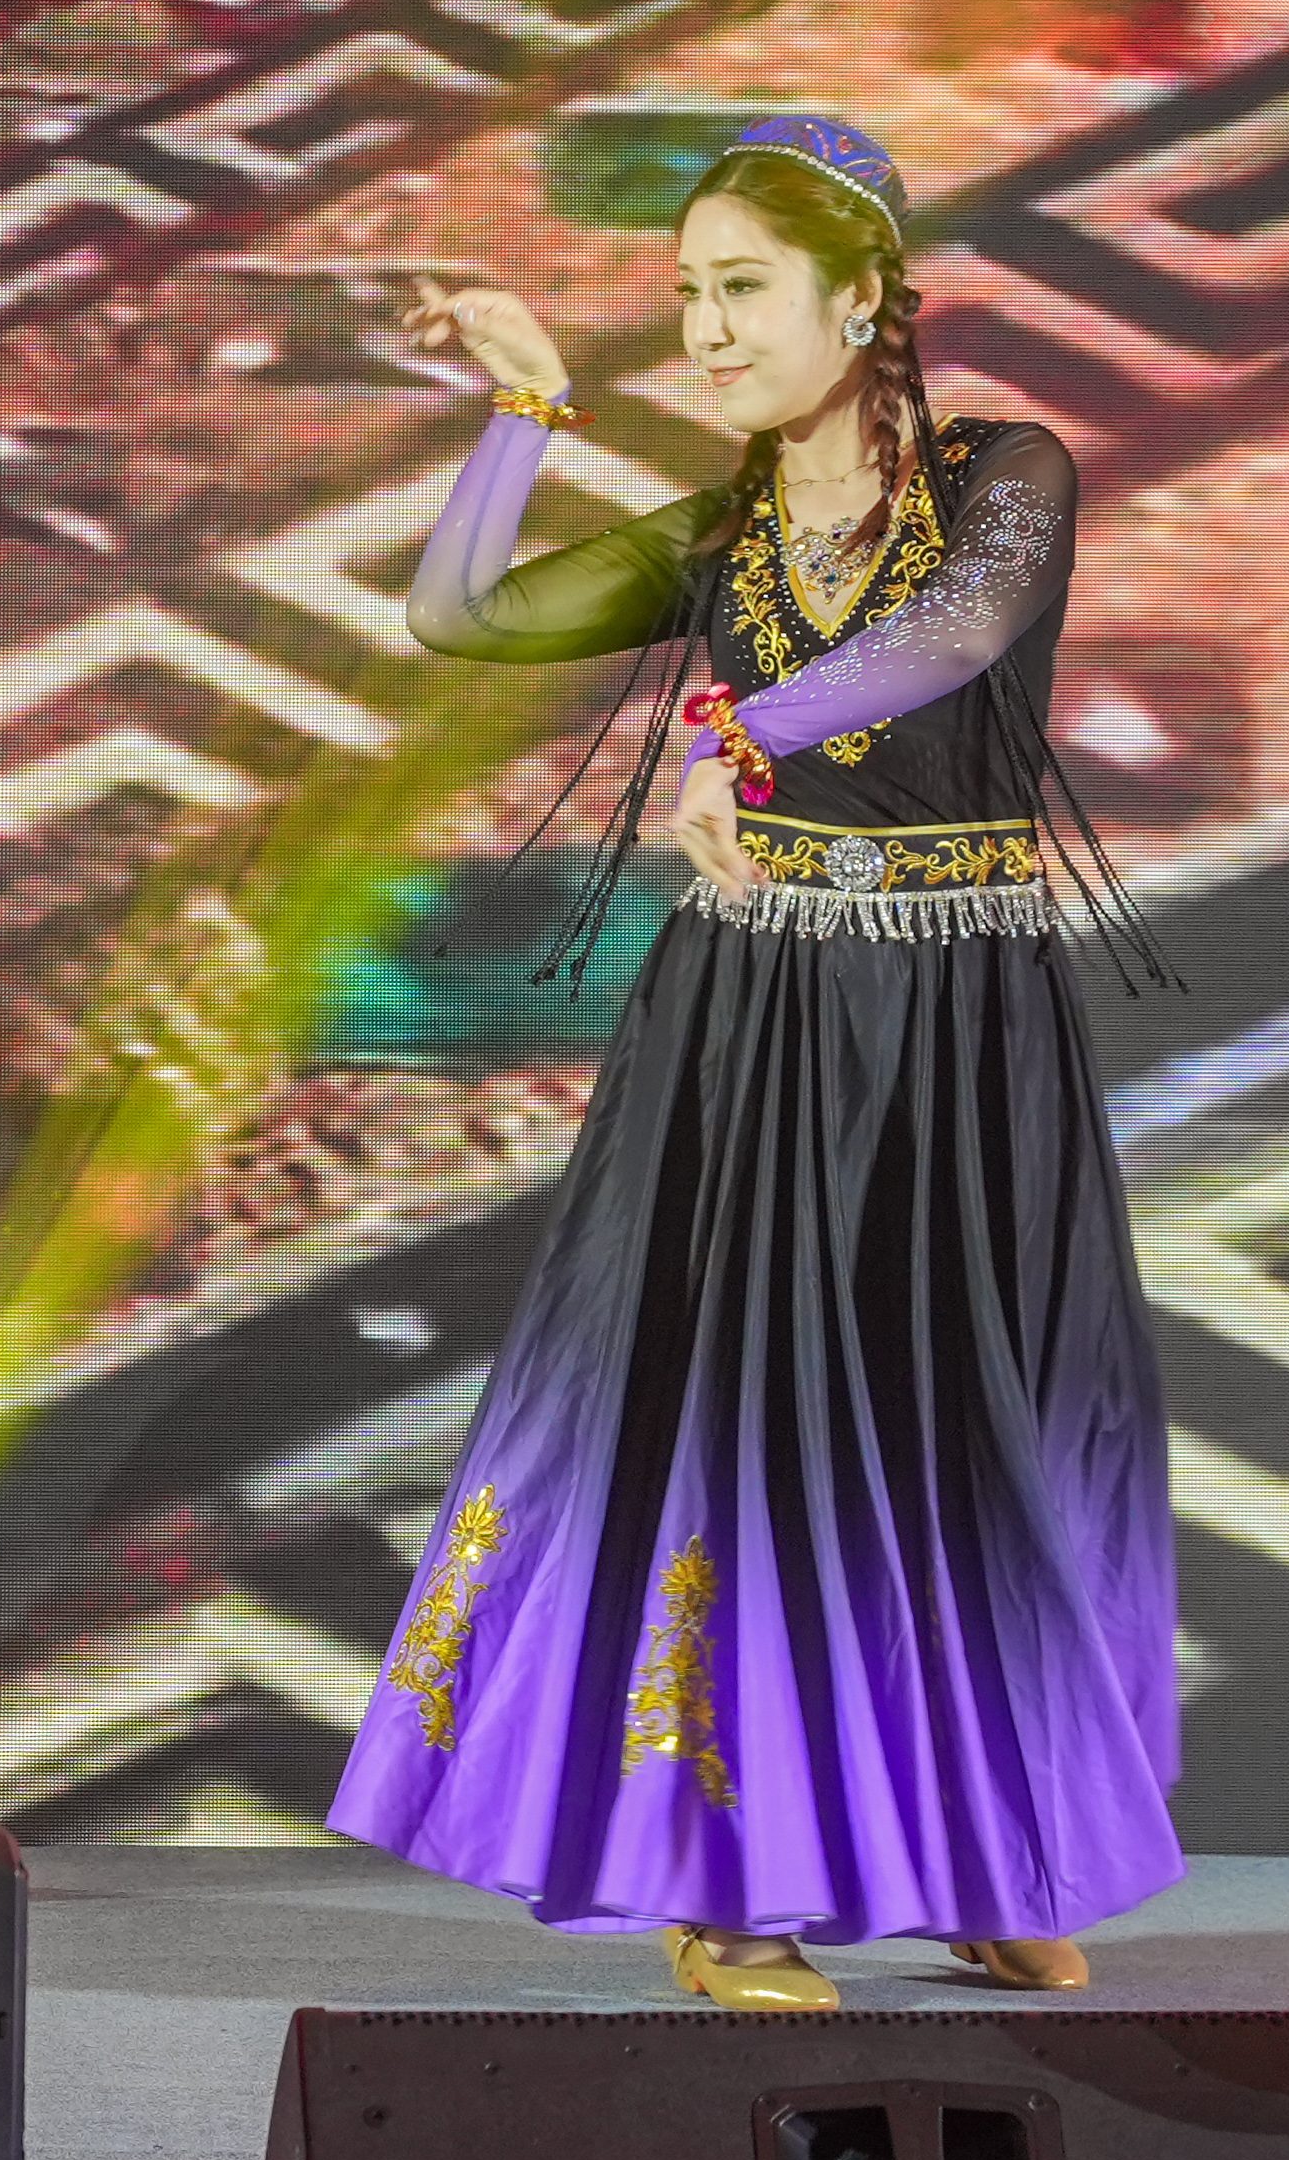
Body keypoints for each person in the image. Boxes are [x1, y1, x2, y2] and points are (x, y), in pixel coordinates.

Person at [324, 116, 1180, 2007]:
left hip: (968, 1026)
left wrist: (742, 734)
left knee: (975, 1431)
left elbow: (960, 631)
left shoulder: (1003, 477)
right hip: (759, 1030)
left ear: (862, 296)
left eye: (741, 288)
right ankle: (736, 1887)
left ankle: (977, 1853)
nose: (703, 328)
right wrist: (525, 410)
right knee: (760, 1439)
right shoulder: (715, 535)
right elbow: (463, 613)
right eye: (685, 293)